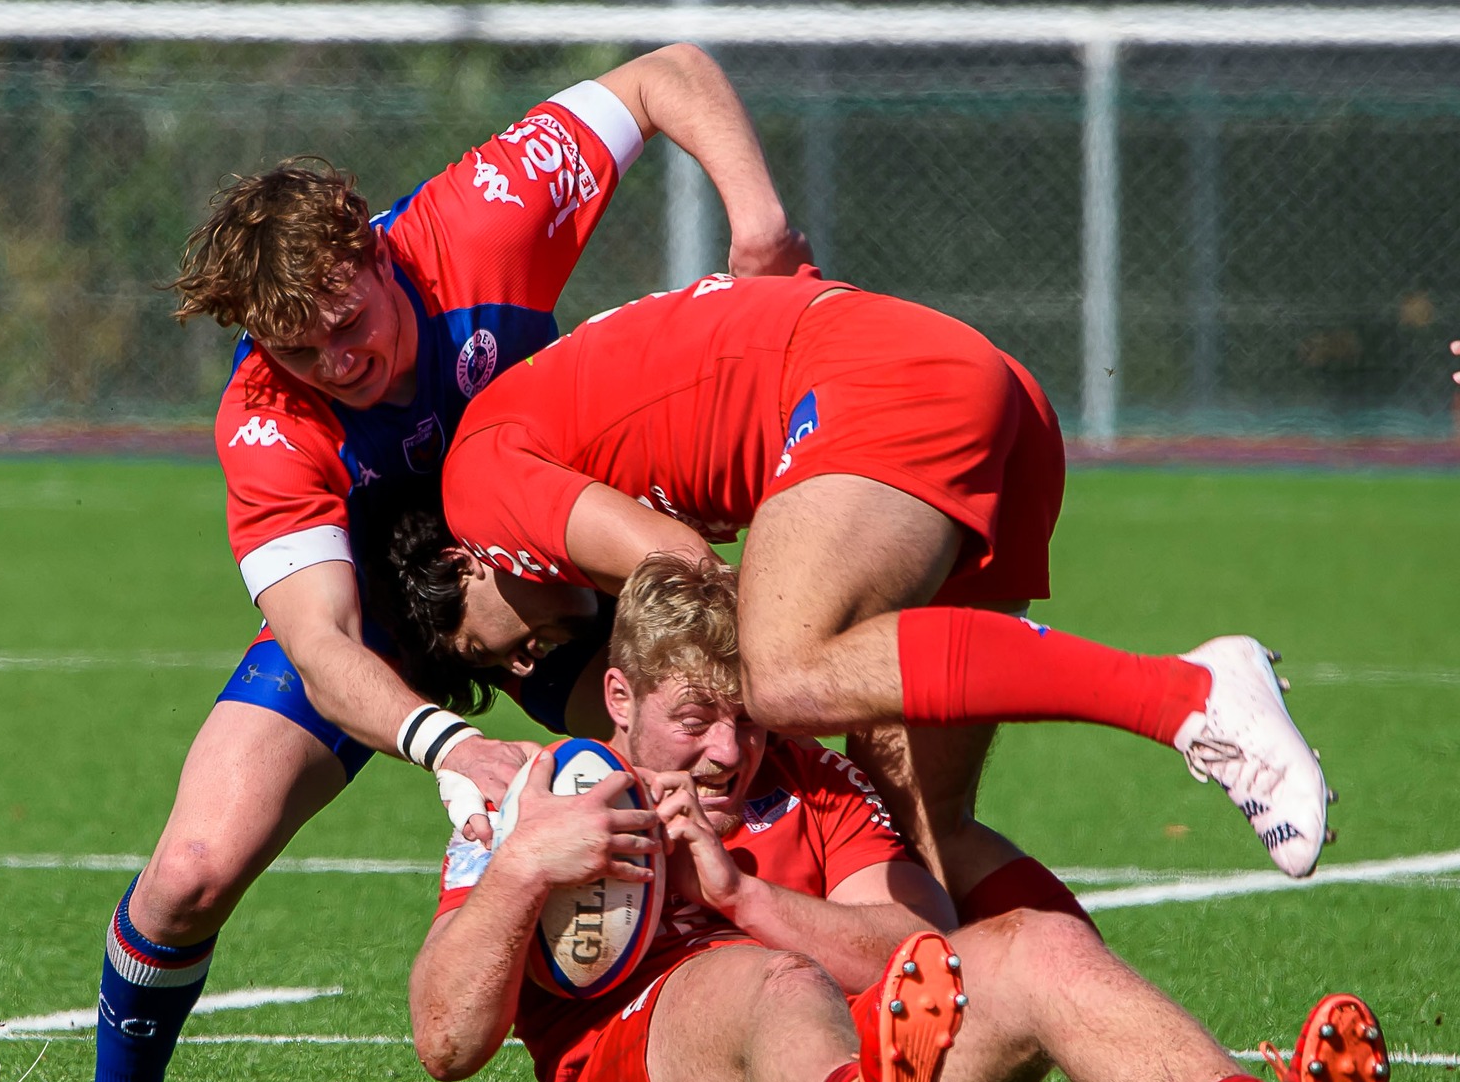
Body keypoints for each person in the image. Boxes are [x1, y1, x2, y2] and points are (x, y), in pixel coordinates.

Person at [0, 46, 812, 1082]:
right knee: (189, 870)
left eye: (345, 320)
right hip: (377, 617)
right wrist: (452, 748)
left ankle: (858, 1011)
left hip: (541, 577)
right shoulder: (266, 419)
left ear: (370, 245)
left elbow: (666, 75)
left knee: (743, 751)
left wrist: (754, 222)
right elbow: (319, 639)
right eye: (299, 348)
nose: (338, 361)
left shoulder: (482, 218)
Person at [409, 554, 1387, 1082]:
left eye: (746, 719)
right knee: (767, 982)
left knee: (1030, 945)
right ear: (620, 698)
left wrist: (741, 896)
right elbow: (445, 1041)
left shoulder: (811, 779)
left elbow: (912, 955)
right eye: (694, 719)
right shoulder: (538, 799)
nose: (727, 750)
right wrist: (523, 868)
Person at [421, 271, 1332, 893]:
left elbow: (687, 570)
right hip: (973, 388)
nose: (528, 655)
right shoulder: (557, 432)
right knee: (926, 834)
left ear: (464, 561)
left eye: (492, 646)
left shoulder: (475, 489)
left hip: (882, 387)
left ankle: (1189, 692)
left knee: (782, 672)